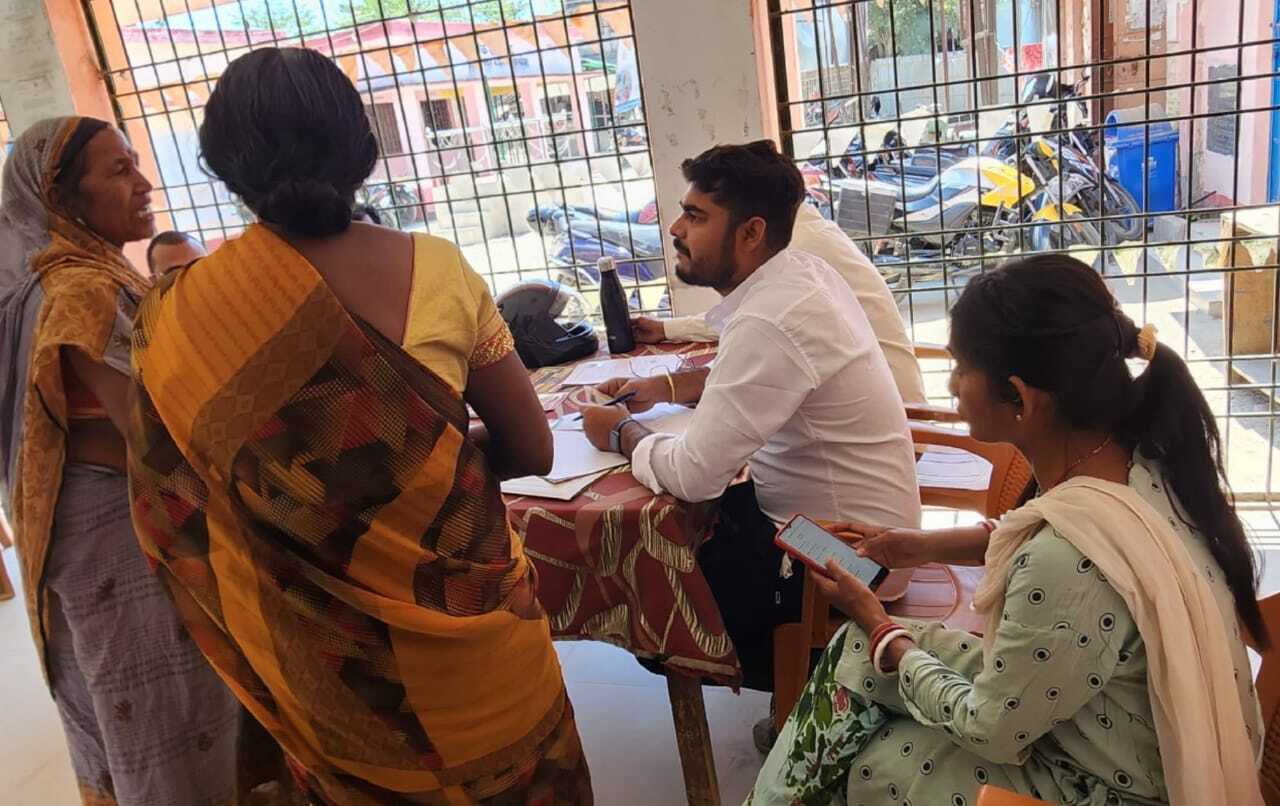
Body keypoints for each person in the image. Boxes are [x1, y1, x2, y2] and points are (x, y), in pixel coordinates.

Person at [126, 47, 591, 804]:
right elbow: (533, 448)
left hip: (329, 676)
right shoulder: (438, 270)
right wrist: (428, 469)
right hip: (480, 654)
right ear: (362, 150)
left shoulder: (181, 313)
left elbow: (175, 502)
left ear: (221, 166)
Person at [749, 254, 1266, 805]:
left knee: (868, 750)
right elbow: (1038, 536)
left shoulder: (1063, 559)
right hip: (1117, 722)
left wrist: (881, 627)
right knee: (855, 655)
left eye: (960, 367)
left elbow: (990, 728)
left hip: (1103, 785)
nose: (951, 384)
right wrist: (914, 547)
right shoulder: (1140, 463)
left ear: (1020, 397)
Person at [580, 141, 920, 692]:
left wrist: (620, 432)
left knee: (652, 590)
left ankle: (811, 686)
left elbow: (694, 475)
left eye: (696, 217)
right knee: (703, 524)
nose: (675, 229)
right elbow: (760, 374)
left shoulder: (771, 317)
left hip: (849, 563)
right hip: (858, 536)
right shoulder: (800, 274)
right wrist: (666, 388)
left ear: (751, 232)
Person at [0, 117, 240, 804]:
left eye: (136, 164)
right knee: (165, 715)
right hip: (123, 538)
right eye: (118, 171)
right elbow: (151, 432)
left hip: (107, 530)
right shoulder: (79, 291)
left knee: (140, 710)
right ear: (63, 199)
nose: (143, 184)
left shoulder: (92, 274)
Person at [631, 200, 927, 403]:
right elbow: (747, 314)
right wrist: (667, 330)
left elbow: (692, 468)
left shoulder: (796, 249)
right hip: (879, 396)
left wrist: (625, 428)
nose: (677, 228)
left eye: (697, 216)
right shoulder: (806, 229)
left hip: (895, 415)